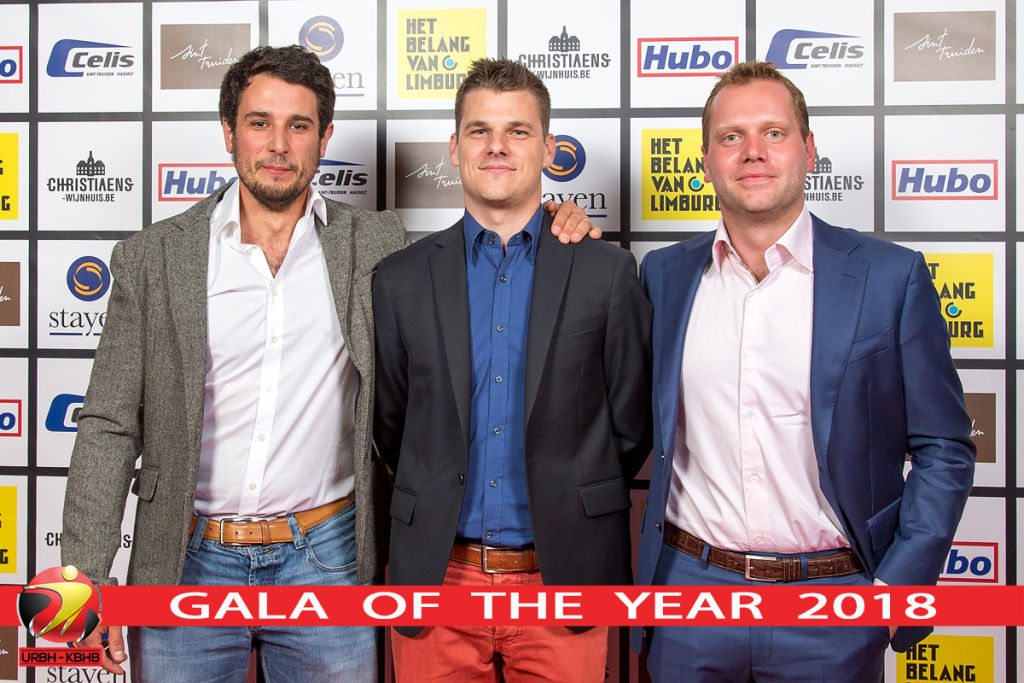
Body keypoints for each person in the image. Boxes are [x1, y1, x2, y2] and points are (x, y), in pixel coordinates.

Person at [60, 45, 594, 682]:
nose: (278, 144)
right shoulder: (154, 258)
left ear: (324, 137)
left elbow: (488, 237)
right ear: (228, 132)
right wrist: (86, 577)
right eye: (259, 123)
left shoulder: (376, 245)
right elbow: (108, 424)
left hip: (329, 557)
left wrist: (557, 220)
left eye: (299, 125)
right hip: (185, 558)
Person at [634, 60, 976, 682]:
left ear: (809, 150)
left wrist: (896, 590)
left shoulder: (890, 277)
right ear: (705, 161)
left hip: (835, 603)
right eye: (731, 136)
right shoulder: (664, 274)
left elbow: (945, 446)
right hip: (689, 597)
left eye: (774, 132)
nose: (753, 152)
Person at [373, 57, 652, 681]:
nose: (497, 146)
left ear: (548, 148)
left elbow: (631, 425)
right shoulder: (400, 279)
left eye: (517, 131)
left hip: (564, 577)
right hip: (437, 579)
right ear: (454, 148)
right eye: (480, 130)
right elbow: (391, 425)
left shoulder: (606, 273)